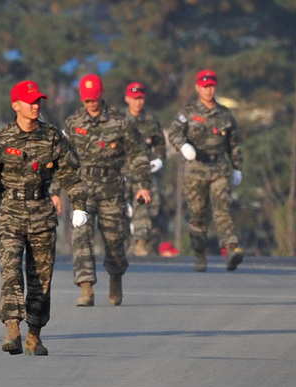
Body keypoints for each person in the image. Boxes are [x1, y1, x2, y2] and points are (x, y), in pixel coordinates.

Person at [0, 81, 88, 355]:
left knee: (41, 278)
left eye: (38, 101)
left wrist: (80, 205)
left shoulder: (52, 137)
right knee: (11, 272)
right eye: (30, 101)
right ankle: (12, 329)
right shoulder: (0, 139)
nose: (35, 106)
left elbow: (70, 173)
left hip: (42, 215)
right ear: (16, 106)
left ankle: (34, 334)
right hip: (11, 215)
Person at [64, 74, 152, 306]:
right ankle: (86, 288)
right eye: (86, 100)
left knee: (114, 241)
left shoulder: (120, 122)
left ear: (101, 95)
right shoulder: (73, 123)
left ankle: (115, 279)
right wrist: (55, 191)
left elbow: (139, 152)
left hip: (112, 190)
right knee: (81, 236)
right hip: (82, 189)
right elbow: (62, 159)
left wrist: (143, 185)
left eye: (93, 99)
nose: (90, 103)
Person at [168, 69, 244, 272]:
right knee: (198, 214)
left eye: (211, 86)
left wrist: (237, 167)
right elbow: (174, 133)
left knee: (223, 210)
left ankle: (230, 249)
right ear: (197, 88)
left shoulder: (225, 114)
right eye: (204, 86)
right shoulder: (189, 112)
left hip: (219, 168)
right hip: (195, 169)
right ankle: (200, 254)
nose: (208, 90)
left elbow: (233, 143)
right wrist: (184, 146)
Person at [123, 81, 167, 257]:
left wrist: (160, 160)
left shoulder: (151, 120)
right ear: (127, 99)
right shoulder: (119, 120)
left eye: (140, 98)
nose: (137, 102)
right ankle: (124, 244)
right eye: (134, 98)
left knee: (147, 208)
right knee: (119, 212)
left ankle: (141, 244)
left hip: (144, 175)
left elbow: (160, 144)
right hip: (123, 174)